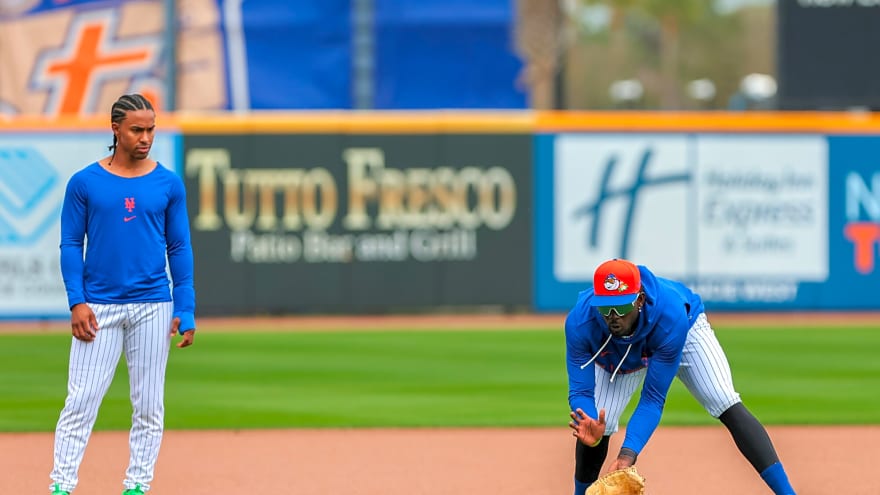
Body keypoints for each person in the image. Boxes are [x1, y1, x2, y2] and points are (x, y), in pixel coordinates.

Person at [49, 94, 196, 495]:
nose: (145, 137)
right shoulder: (84, 183)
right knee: (81, 401)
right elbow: (70, 244)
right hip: (99, 306)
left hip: (153, 305)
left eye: (151, 129)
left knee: (148, 405)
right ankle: (61, 485)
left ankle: (137, 485)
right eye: (136, 130)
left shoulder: (168, 183)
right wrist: (77, 301)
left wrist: (185, 305)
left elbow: (179, 247)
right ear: (116, 129)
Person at [565, 258, 796, 495]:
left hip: (681, 329)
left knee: (721, 398)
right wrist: (590, 422)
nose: (613, 316)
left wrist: (627, 455)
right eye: (605, 307)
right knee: (596, 423)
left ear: (640, 300)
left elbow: (653, 399)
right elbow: (581, 391)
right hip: (617, 347)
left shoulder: (670, 315)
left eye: (622, 306)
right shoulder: (580, 322)